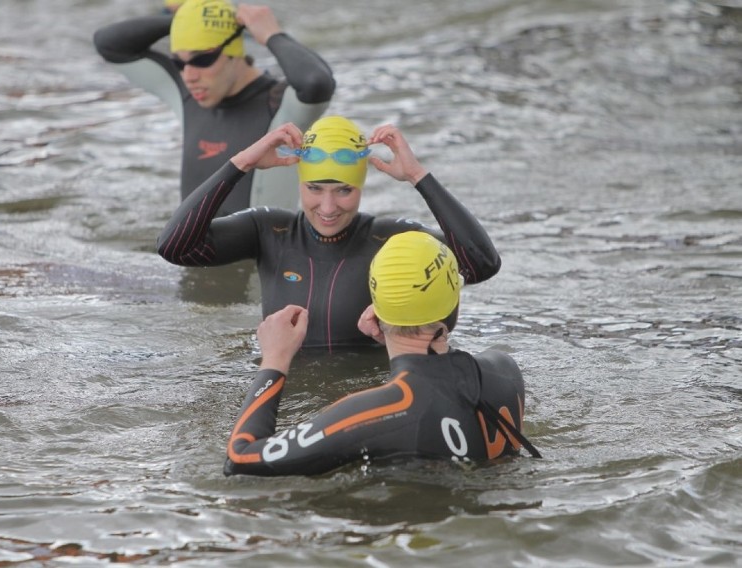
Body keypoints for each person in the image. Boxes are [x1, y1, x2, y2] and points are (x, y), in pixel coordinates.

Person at [157, 115, 502, 350]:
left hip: (365, 402)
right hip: (289, 402)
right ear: (300, 182)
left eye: (343, 191)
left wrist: (417, 176)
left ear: (361, 188)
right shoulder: (270, 231)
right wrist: (242, 163)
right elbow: (175, 247)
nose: (327, 206)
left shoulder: (391, 241)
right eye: (315, 189)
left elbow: (480, 264)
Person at [224, 231, 540, 476]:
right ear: (453, 306)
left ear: (376, 311)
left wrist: (275, 359)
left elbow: (240, 458)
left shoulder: (375, 412)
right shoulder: (503, 371)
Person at [93, 0, 335, 215]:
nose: (189, 75)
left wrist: (272, 35)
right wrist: (185, 19)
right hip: (192, 256)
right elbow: (108, 43)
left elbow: (317, 82)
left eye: (202, 60)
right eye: (179, 62)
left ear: (234, 54)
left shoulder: (282, 105)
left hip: (257, 262)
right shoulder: (186, 93)